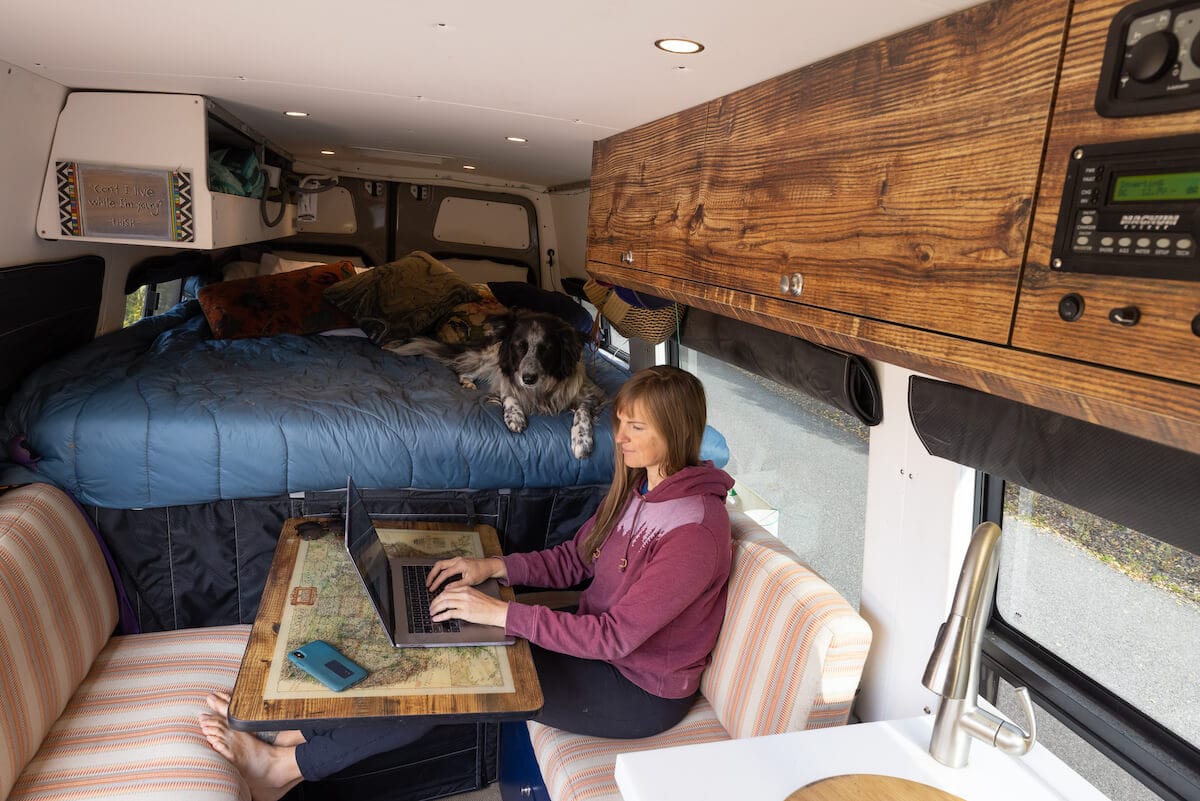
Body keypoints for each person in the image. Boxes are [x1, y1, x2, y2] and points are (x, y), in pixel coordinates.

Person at [199, 365, 734, 801]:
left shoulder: (695, 532)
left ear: (676, 430)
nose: (618, 438)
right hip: (594, 648)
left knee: (449, 683)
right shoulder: (641, 490)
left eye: (636, 427)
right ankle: (295, 729)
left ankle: (283, 767)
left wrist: (501, 613)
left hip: (634, 689)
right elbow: (575, 559)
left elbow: (617, 637)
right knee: (438, 644)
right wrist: (493, 569)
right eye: (619, 421)